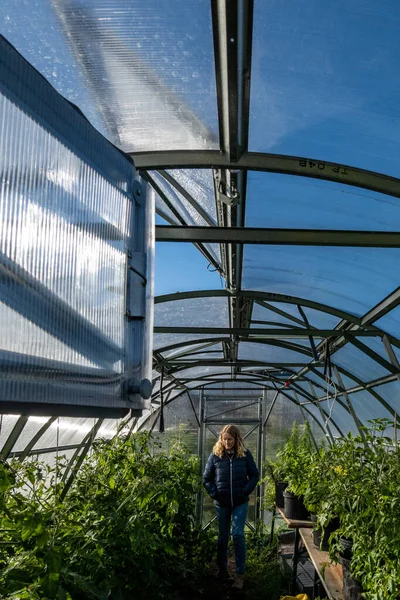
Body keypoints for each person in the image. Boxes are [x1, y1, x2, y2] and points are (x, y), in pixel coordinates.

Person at [202, 424, 260, 590]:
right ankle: (222, 571)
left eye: (230, 439)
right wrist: (215, 493)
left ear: (236, 439)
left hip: (240, 503)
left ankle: (240, 575)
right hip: (222, 504)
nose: (226, 442)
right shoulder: (215, 456)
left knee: (238, 535)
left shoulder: (244, 455)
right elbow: (206, 479)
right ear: (221, 439)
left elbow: (254, 475)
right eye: (224, 439)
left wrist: (244, 491)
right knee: (222, 538)